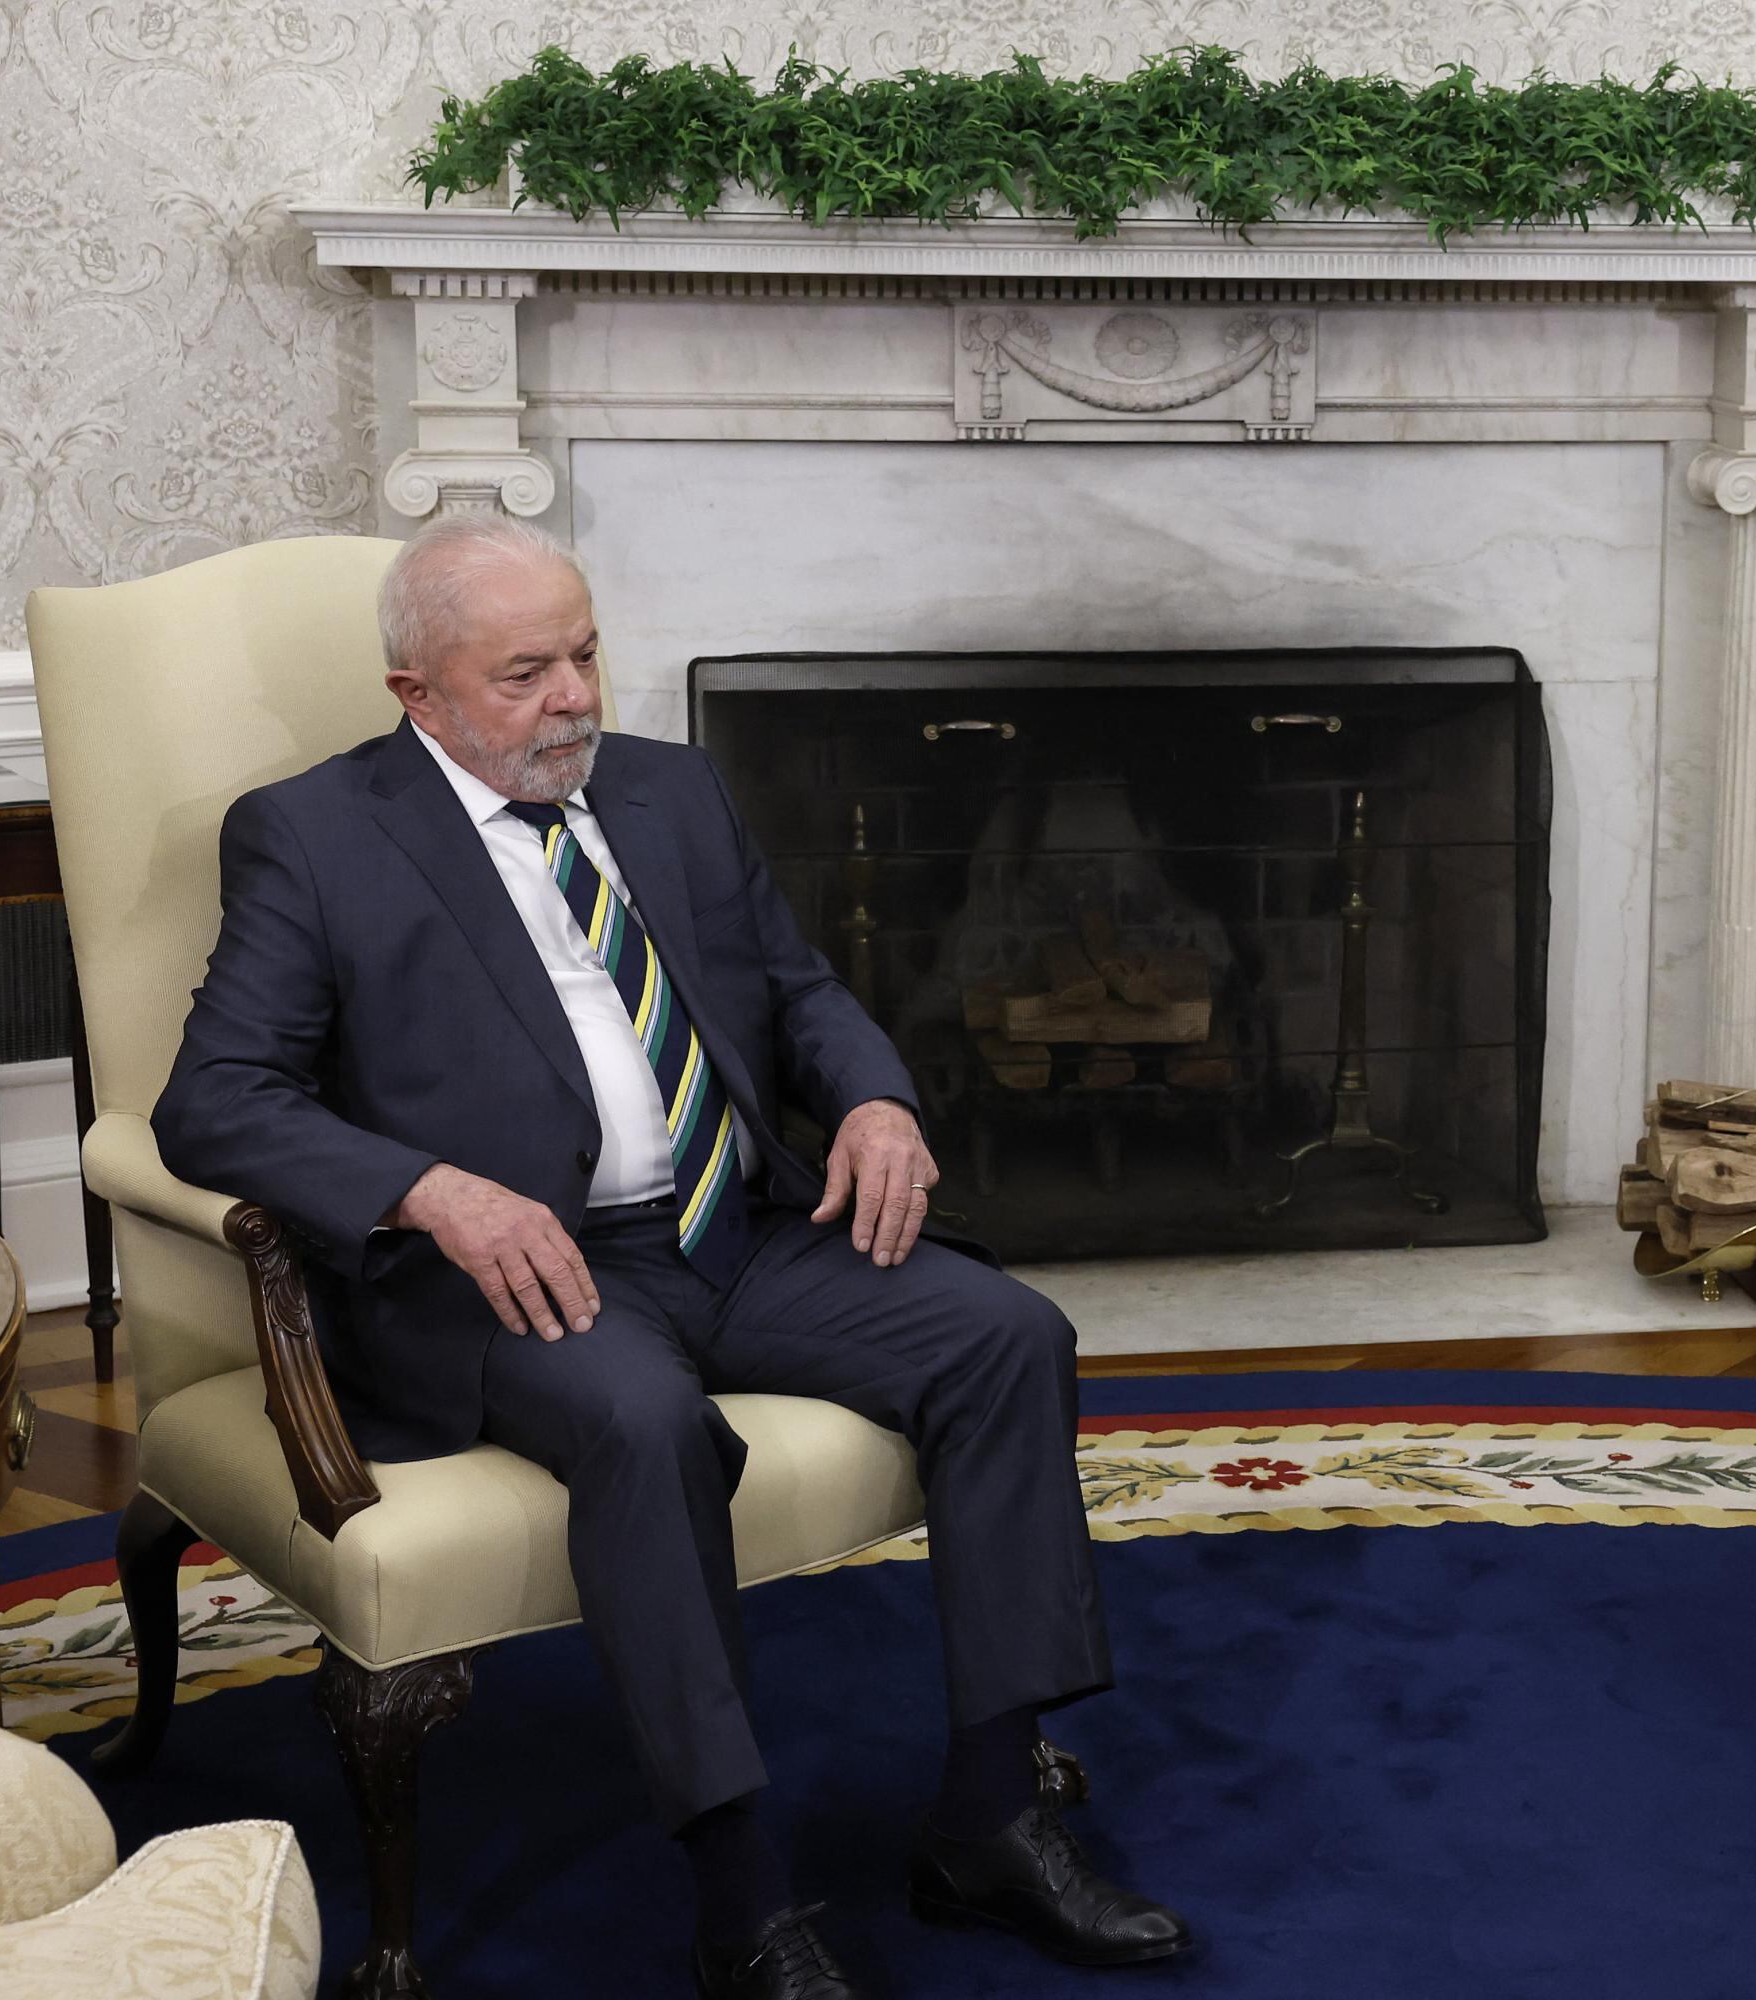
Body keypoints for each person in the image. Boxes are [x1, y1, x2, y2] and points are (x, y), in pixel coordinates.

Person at [151, 513, 1189, 1999]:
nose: (574, 695)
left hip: (736, 1226)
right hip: (515, 1274)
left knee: (1004, 1336)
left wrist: (880, 1097)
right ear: (417, 693)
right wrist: (428, 1190)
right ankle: (743, 1898)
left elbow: (797, 985)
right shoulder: (316, 834)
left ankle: (992, 1821)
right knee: (647, 1426)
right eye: (525, 673)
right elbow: (216, 1099)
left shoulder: (672, 790)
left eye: (583, 653)